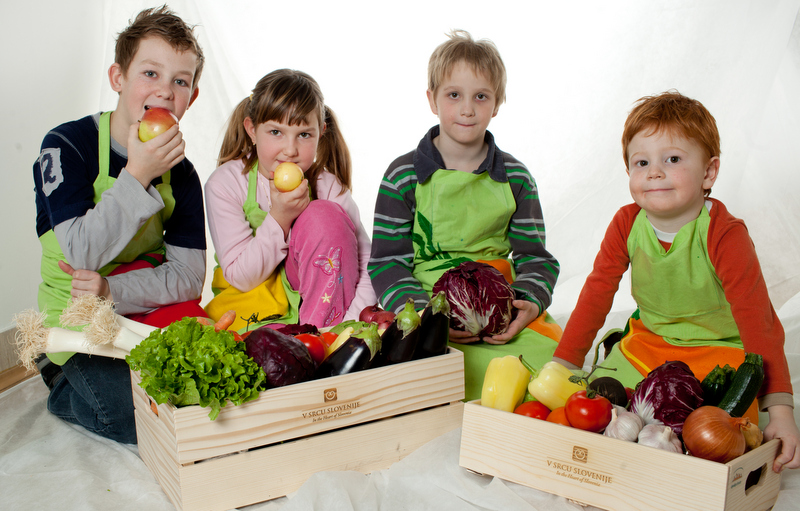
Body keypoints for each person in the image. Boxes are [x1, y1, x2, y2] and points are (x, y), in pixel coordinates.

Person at [552, 90, 800, 472]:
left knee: (711, 424)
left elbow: (757, 320)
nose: (654, 171)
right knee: (606, 396)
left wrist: (781, 410)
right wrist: (563, 363)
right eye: (641, 162)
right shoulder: (626, 222)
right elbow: (596, 293)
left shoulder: (724, 234)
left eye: (672, 159)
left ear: (709, 172)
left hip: (722, 349)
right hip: (652, 342)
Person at [31, 6, 207, 443]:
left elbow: (188, 278)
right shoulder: (66, 145)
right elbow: (82, 252)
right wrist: (137, 175)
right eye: (150, 73)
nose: (165, 91)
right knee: (134, 417)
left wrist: (113, 291)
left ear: (192, 97)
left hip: (142, 312)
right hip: (74, 324)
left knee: (199, 396)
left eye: (179, 81)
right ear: (118, 78)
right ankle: (59, 382)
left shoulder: (183, 175)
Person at [368, 30, 561, 401]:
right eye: (454, 95)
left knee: (551, 365)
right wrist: (429, 316)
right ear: (432, 100)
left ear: (497, 103)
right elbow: (387, 262)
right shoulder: (402, 175)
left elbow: (535, 258)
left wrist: (523, 303)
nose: (467, 109)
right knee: (413, 378)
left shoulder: (516, 178)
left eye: (481, 96)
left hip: (497, 308)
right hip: (425, 302)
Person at [204, 69, 376, 332]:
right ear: (252, 130)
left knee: (323, 217)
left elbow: (367, 264)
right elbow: (241, 277)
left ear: (321, 133)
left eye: (304, 135)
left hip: (320, 321)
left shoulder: (327, 186)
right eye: (276, 132)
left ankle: (317, 337)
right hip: (254, 315)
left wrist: (347, 329)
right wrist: (279, 219)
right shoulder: (226, 184)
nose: (290, 149)